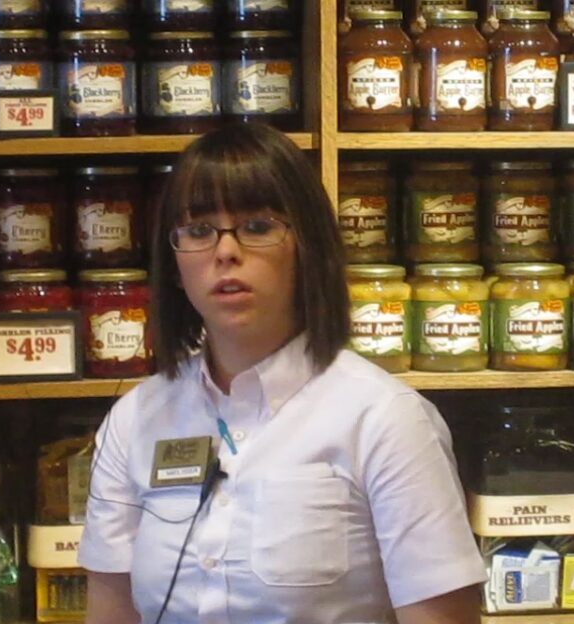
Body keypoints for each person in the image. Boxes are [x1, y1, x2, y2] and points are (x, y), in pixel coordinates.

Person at [78, 122, 486, 624]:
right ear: (175, 260)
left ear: (307, 244)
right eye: (200, 230)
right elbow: (112, 609)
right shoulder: (135, 418)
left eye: (257, 226)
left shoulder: (386, 420)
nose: (225, 251)